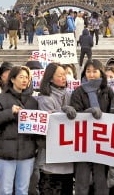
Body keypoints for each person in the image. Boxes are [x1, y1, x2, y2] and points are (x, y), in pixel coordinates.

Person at [0, 66, 39, 195]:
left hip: (27, 153)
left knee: (22, 190)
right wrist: (10, 112)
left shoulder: (33, 102)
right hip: (5, 153)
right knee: (5, 190)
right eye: (21, 77)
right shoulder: (0, 99)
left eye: (27, 77)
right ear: (13, 79)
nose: (24, 80)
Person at [69, 60, 113, 195]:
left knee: (101, 182)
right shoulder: (78, 91)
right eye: (88, 71)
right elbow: (75, 114)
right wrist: (87, 113)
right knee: (82, 181)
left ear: (101, 72)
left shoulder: (107, 91)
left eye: (94, 71)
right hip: (83, 142)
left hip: (102, 142)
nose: (91, 74)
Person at [35, 63, 75, 194]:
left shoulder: (70, 94)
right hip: (51, 157)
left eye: (65, 75)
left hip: (68, 154)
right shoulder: (45, 99)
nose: (64, 78)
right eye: (60, 75)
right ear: (50, 78)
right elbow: (51, 125)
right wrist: (62, 113)